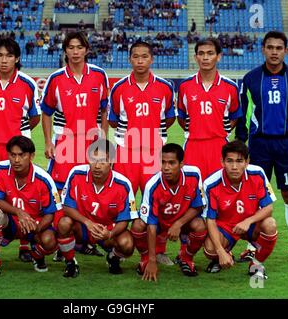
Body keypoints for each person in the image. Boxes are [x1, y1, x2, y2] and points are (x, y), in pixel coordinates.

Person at [235, 31, 288, 264]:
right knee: (254, 197)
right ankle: (252, 246)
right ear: (263, 49)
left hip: (287, 145)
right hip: (258, 145)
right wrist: (240, 143)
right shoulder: (250, 79)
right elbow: (244, 114)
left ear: (286, 51)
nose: (274, 52)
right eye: (270, 47)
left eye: (279, 48)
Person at [41, 31, 109, 258]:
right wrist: (48, 142)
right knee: (61, 192)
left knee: (90, 190)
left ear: (87, 50)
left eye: (79, 47)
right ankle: (62, 242)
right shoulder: (56, 78)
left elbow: (104, 110)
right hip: (65, 143)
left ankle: (87, 240)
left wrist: (102, 139)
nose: (75, 52)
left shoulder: (99, 76)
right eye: (71, 47)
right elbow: (47, 112)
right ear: (65, 51)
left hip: (91, 142)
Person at [108, 41, 175, 265]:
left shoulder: (165, 87)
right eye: (135, 57)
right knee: (122, 201)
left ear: (151, 59)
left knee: (159, 201)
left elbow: (170, 117)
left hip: (154, 154)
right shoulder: (119, 88)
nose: (140, 61)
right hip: (126, 153)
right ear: (130, 59)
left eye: (144, 57)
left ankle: (160, 249)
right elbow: (113, 119)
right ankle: (117, 244)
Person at [0, 37, 41, 262]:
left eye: (9, 56)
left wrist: (18, 136)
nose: (4, 60)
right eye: (0, 55)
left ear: (17, 58)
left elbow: (35, 117)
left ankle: (25, 245)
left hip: (17, 151)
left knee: (22, 195)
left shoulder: (27, 83)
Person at [0, 136, 62, 278]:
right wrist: (19, 212)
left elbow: (50, 214)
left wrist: (37, 229)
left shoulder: (44, 179)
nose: (16, 160)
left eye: (21, 155)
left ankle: (37, 254)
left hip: (34, 223)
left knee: (50, 240)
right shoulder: (0, 168)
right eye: (13, 155)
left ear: (31, 156)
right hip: (11, 221)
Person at [57, 139, 138, 277]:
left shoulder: (123, 184)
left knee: (127, 244)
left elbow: (125, 220)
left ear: (112, 161)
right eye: (94, 160)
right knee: (64, 223)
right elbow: (65, 206)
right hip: (83, 227)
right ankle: (71, 262)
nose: (97, 166)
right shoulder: (76, 173)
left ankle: (113, 257)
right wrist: (87, 222)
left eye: (102, 161)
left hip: (106, 230)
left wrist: (110, 234)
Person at [203, 140, 278, 279]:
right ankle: (224, 255)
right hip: (225, 226)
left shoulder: (257, 173)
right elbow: (210, 220)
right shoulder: (210, 184)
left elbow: (268, 208)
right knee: (210, 251)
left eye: (239, 161)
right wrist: (220, 251)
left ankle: (256, 264)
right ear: (222, 162)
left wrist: (248, 221)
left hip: (250, 225)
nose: (234, 167)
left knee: (270, 224)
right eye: (229, 161)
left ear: (247, 161)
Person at [131, 143, 206, 281]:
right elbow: (151, 223)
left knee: (200, 225)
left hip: (182, 221)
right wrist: (152, 260)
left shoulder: (194, 174)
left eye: (171, 163)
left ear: (181, 164)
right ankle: (145, 258)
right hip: (159, 223)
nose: (166, 168)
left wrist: (178, 224)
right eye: (163, 162)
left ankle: (186, 258)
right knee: (137, 225)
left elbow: (198, 205)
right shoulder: (152, 185)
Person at [177, 38, 241, 181]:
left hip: (219, 144)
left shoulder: (230, 87)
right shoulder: (184, 86)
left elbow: (235, 115)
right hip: (193, 145)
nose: (205, 58)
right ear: (195, 57)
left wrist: (223, 130)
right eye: (201, 53)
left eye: (210, 53)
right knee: (193, 191)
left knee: (219, 190)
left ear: (219, 56)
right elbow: (181, 116)